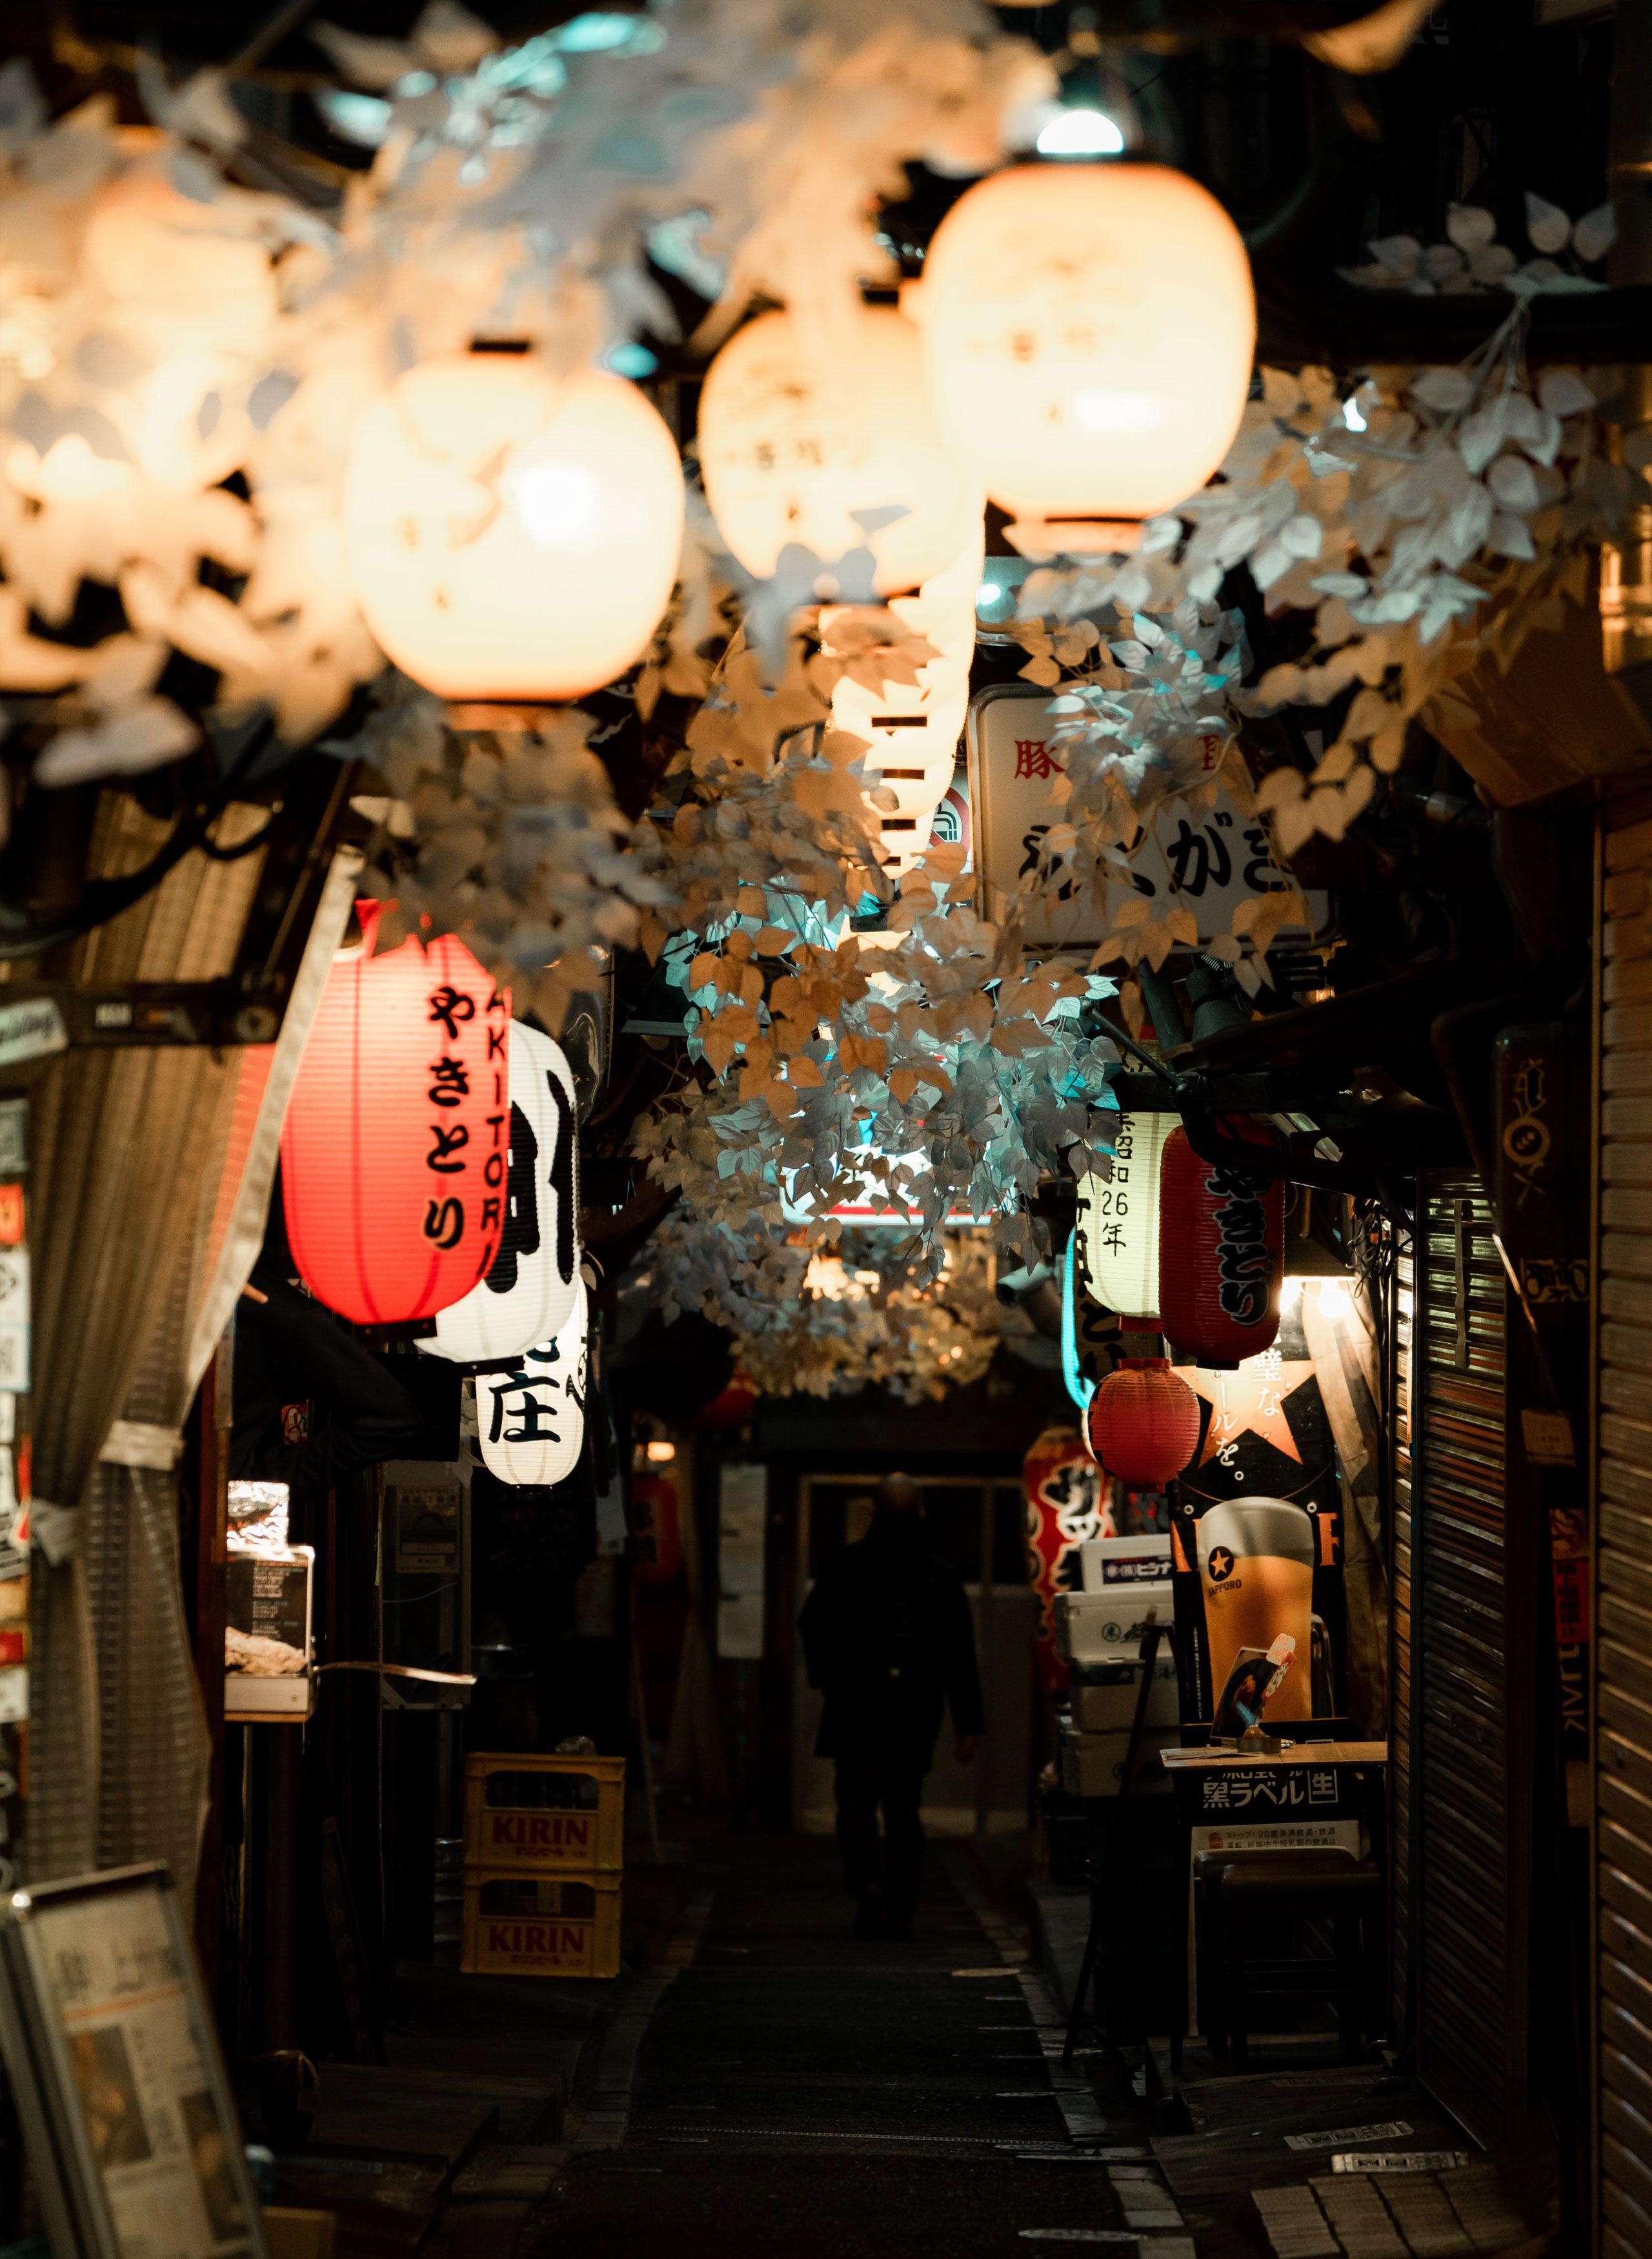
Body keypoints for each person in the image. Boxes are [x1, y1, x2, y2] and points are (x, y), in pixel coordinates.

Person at [798, 1473, 985, 1940]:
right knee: (904, 1808)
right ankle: (901, 1906)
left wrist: (830, 1679)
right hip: (914, 1705)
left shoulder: (843, 1566)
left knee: (856, 1802)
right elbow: (959, 1653)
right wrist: (966, 1723)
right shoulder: (940, 1575)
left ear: (873, 1510)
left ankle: (867, 1882)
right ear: (921, 1511)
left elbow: (813, 1626)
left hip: (854, 1702)